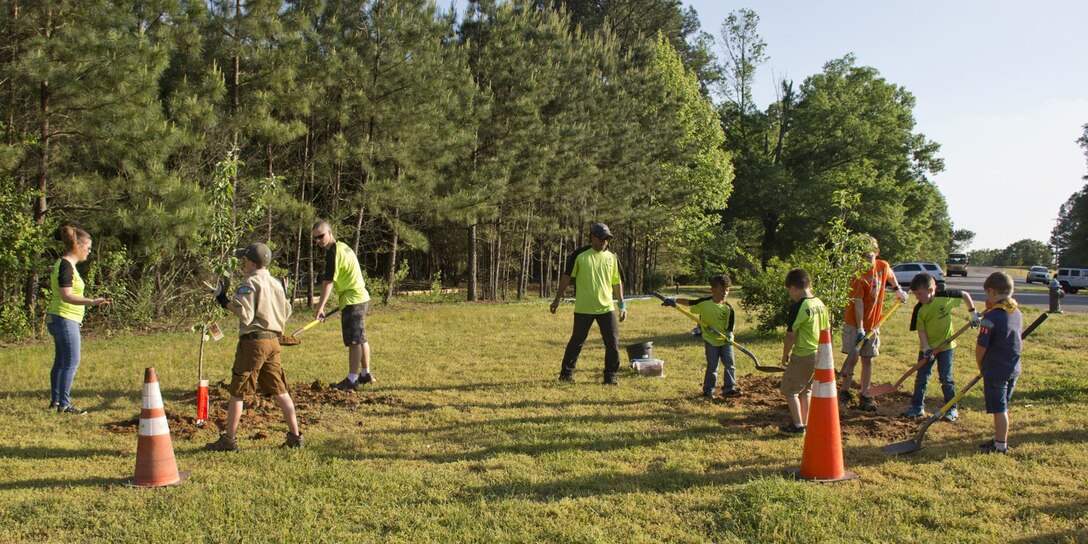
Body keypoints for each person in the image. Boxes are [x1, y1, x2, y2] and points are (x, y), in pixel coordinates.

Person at [205, 243, 302, 451]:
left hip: (254, 343)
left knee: (238, 390)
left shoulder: (249, 282)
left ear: (251, 262)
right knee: (280, 389)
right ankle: (295, 436)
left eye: (245, 260)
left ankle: (229, 440)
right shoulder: (276, 283)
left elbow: (246, 314)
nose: (243, 263)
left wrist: (223, 301)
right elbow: (286, 312)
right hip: (274, 342)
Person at [837, 236, 909, 411]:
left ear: (876, 253)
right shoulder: (857, 274)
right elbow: (858, 303)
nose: (866, 260)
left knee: (867, 359)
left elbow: (890, 274)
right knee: (852, 357)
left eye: (869, 256)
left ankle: (865, 394)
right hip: (855, 322)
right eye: (862, 256)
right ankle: (845, 392)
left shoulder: (882, 266)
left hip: (874, 323)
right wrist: (861, 329)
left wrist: (897, 289)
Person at [550, 222, 626, 385]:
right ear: (593, 237)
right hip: (584, 309)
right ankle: (566, 374)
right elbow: (566, 278)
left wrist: (622, 305)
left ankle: (610, 376)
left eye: (607, 239)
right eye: (601, 239)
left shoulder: (612, 258)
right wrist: (557, 299)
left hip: (606, 308)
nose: (604, 242)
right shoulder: (580, 255)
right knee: (577, 342)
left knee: (612, 343)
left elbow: (617, 282)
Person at [46, 226, 111, 414]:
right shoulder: (66, 264)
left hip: (59, 317)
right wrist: (92, 301)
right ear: (78, 245)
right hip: (65, 318)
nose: (89, 252)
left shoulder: (64, 264)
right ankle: (65, 405)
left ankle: (57, 402)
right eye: (88, 248)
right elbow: (66, 295)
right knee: (71, 362)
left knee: (60, 361)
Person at [903, 273, 981, 421]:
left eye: (920, 294)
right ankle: (917, 407)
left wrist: (972, 313)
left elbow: (964, 294)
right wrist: (926, 348)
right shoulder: (919, 309)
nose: (918, 298)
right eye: (915, 295)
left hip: (946, 346)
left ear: (931, 290)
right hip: (927, 349)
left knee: (946, 377)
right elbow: (922, 330)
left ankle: (951, 409)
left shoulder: (945, 297)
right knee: (922, 378)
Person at [311, 221, 375, 391]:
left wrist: (320, 307)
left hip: (353, 299)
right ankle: (365, 374)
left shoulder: (333, 252)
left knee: (354, 340)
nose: (318, 240)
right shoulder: (344, 247)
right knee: (361, 337)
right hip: (360, 296)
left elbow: (328, 282)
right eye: (315, 239)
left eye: (321, 236)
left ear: (330, 232)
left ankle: (352, 379)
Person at [662, 274, 739, 399]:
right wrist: (673, 300)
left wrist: (729, 335)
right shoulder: (704, 303)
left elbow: (730, 327)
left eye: (727, 290)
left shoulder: (728, 308)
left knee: (730, 365)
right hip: (710, 340)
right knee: (712, 366)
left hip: (725, 341)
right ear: (713, 289)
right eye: (721, 290)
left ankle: (729, 389)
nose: (725, 293)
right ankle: (708, 390)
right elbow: (689, 302)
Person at [976, 272, 1023, 455]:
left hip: (995, 369)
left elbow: (981, 346)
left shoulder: (991, 318)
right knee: (1003, 405)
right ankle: (999, 438)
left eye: (987, 294)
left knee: (999, 408)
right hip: (1012, 368)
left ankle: (1000, 445)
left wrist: (980, 363)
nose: (987, 298)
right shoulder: (1016, 312)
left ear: (993, 292)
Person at [779, 268, 829, 434]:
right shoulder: (819, 304)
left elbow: (791, 336)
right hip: (819, 354)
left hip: (803, 354)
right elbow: (827, 330)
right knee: (805, 390)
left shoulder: (799, 306)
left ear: (793, 288)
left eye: (789, 291)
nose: (790, 294)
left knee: (789, 390)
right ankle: (805, 422)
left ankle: (798, 425)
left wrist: (785, 354)